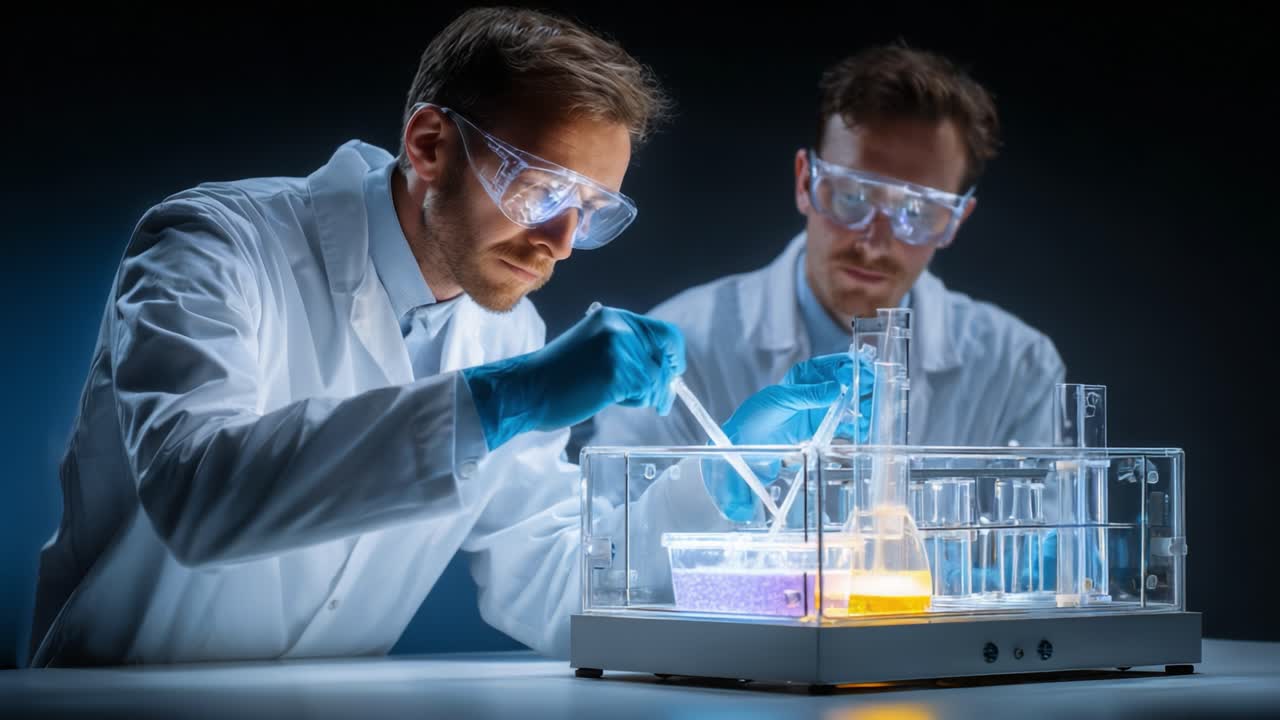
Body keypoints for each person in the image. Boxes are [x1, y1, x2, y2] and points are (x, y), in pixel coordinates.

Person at [28, 6, 849, 667]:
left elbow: (555, 583)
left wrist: (714, 487)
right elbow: (197, 495)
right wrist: (508, 398)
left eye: (593, 212)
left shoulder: (502, 331)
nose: (562, 242)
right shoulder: (215, 244)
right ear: (429, 145)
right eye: (539, 190)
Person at [590, 43, 1066, 458]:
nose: (875, 242)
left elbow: (1047, 557)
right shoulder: (683, 347)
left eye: (917, 213)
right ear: (805, 181)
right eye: (852, 198)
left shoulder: (1018, 367)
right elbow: (615, 537)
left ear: (955, 220)